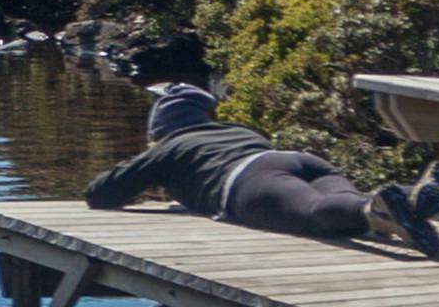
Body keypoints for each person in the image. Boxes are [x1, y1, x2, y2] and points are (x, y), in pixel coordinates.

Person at [82, 83, 398, 246]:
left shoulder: (170, 146)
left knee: (315, 215)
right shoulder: (233, 129)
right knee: (341, 204)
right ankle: (400, 204)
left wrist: (148, 166)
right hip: (295, 159)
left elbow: (101, 194)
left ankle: (372, 212)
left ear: (159, 132)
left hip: (246, 180)